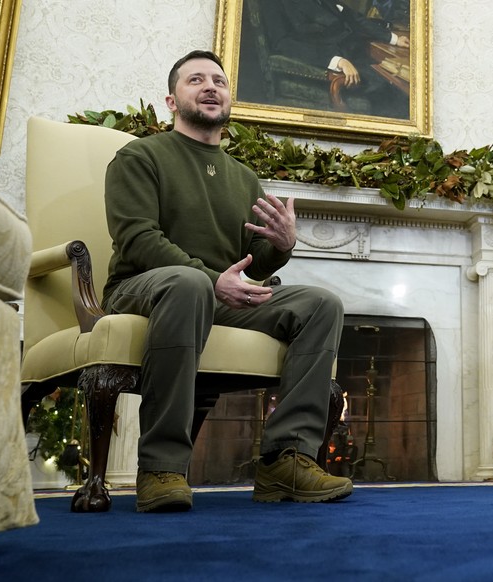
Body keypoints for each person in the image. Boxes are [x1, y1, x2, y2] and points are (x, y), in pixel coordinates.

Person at [102, 50, 353, 512]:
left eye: (218, 80)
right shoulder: (140, 156)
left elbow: (247, 269)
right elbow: (137, 239)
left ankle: (285, 460)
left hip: (211, 294)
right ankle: (161, 468)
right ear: (172, 100)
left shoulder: (243, 178)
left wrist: (281, 245)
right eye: (195, 80)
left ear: (229, 99)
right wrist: (212, 280)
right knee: (188, 284)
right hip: (142, 290)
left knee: (320, 303)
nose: (210, 86)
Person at [258, 0, 410, 118]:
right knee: (395, 91)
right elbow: (283, 43)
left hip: (356, 57)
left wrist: (393, 38)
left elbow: (352, 17)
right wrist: (337, 61)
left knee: (399, 83)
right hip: (327, 68)